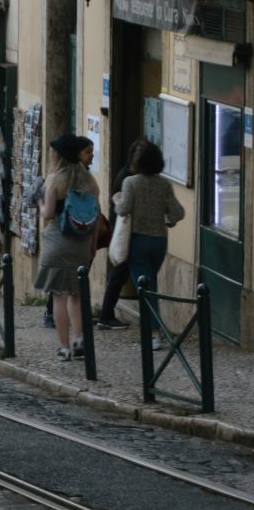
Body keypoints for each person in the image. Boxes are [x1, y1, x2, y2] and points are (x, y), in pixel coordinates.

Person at [34, 132, 101, 360]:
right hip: (81, 242)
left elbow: (49, 214)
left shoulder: (55, 179)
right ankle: (79, 339)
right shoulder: (90, 181)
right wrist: (92, 246)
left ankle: (64, 347)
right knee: (76, 294)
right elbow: (97, 216)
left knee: (58, 295)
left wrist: (40, 202)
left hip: (57, 241)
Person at [115, 139, 184, 351]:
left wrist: (117, 201)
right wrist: (167, 221)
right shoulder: (164, 184)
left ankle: (154, 334)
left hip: (138, 241)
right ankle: (154, 330)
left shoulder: (131, 183)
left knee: (146, 289)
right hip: (159, 242)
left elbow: (123, 209)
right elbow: (178, 212)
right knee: (150, 285)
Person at [98, 138, 147, 330]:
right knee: (119, 274)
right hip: (125, 234)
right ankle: (106, 315)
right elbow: (120, 204)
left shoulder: (135, 177)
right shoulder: (126, 177)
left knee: (122, 274)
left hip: (132, 234)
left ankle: (106, 314)